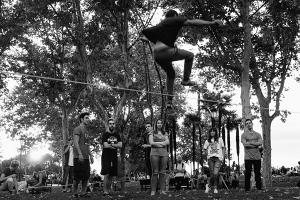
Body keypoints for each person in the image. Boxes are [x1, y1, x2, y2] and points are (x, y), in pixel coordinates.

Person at [141, 9, 223, 109]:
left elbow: (146, 32)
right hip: (166, 52)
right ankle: (185, 80)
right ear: (175, 15)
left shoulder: (161, 25)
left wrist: (146, 38)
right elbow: (193, 22)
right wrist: (211, 22)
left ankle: (169, 101)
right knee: (190, 55)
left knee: (171, 74)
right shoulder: (175, 19)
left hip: (157, 56)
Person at [72, 112, 94, 198]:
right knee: (77, 177)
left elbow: (87, 145)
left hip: (86, 157)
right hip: (78, 157)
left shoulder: (87, 131)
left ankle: (83, 192)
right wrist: (80, 154)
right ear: (82, 119)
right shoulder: (77, 129)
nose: (88, 119)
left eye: (88, 118)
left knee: (86, 176)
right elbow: (75, 142)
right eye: (86, 118)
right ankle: (74, 193)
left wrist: (91, 155)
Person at [101, 118, 122, 196]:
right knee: (106, 173)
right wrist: (115, 145)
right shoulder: (105, 134)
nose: (112, 125)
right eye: (110, 123)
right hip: (106, 156)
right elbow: (105, 145)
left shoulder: (117, 135)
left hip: (114, 156)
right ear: (108, 125)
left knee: (111, 174)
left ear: (114, 125)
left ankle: (109, 190)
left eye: (113, 123)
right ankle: (105, 191)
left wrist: (112, 145)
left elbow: (121, 145)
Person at [241, 118, 263, 192]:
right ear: (245, 125)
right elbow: (245, 145)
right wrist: (255, 144)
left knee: (257, 173)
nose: (248, 124)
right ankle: (247, 189)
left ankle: (259, 188)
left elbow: (260, 143)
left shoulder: (258, 134)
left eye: (249, 123)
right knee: (248, 173)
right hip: (248, 157)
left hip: (257, 156)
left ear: (252, 124)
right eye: (246, 123)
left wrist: (249, 143)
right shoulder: (243, 135)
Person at [149, 119, 169, 196]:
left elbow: (167, 142)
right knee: (155, 172)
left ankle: (162, 190)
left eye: (161, 123)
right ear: (156, 124)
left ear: (162, 124)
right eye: (158, 123)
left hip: (164, 154)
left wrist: (156, 143)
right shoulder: (152, 133)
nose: (159, 124)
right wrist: (162, 143)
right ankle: (153, 190)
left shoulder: (165, 133)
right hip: (154, 154)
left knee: (162, 172)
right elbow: (151, 143)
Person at [203, 128, 225, 194]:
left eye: (214, 131)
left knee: (215, 173)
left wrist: (222, 157)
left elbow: (223, 148)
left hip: (218, 158)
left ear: (216, 132)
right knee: (212, 174)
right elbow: (204, 149)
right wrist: (207, 154)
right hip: (211, 158)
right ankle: (215, 188)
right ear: (209, 133)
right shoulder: (207, 141)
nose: (212, 132)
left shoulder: (220, 139)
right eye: (211, 131)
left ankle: (209, 186)